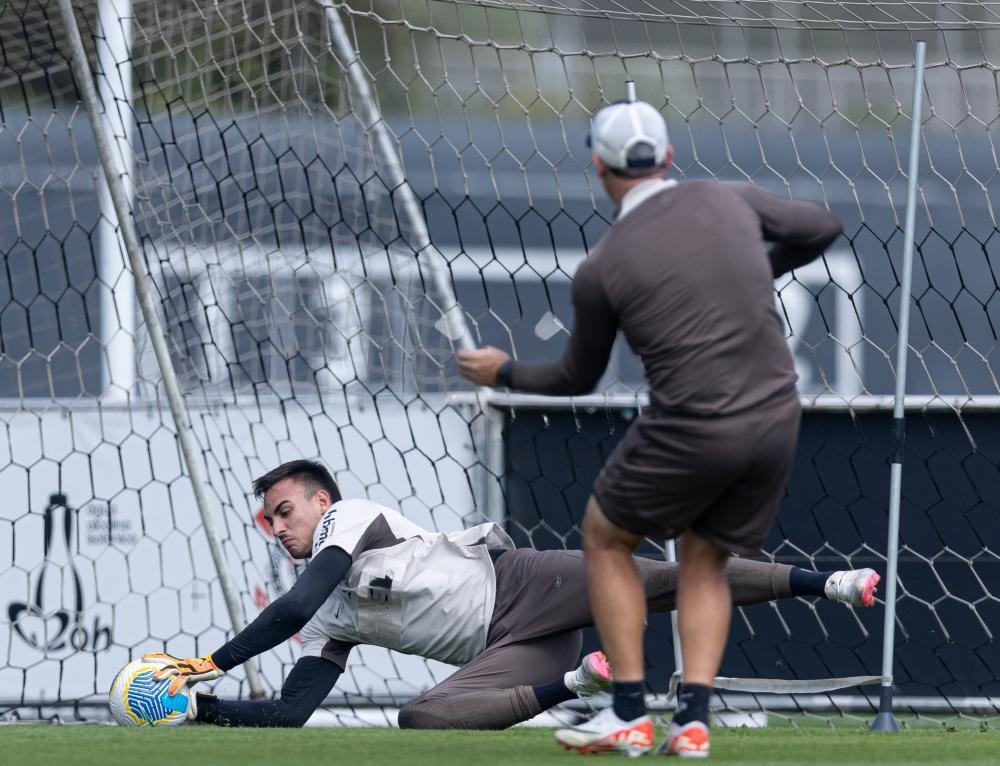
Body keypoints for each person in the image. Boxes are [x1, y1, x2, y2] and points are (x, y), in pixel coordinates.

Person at [457, 99, 844, 756]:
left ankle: (630, 711)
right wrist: (752, 271)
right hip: (777, 419)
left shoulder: (603, 267)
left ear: (600, 168)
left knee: (605, 538)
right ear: (667, 157)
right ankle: (691, 723)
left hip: (693, 423)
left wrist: (503, 372)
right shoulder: (730, 199)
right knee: (704, 560)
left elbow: (577, 379)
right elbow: (822, 226)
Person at [146, 459, 875, 731]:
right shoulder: (332, 612)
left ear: (321, 500)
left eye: (284, 510)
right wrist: (201, 712)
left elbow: (293, 607)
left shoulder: (349, 518)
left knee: (663, 582)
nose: (275, 527)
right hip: (511, 649)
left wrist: (211, 660)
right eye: (267, 520)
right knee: (419, 717)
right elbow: (291, 713)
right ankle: (578, 680)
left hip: (524, 581)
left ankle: (831, 583)